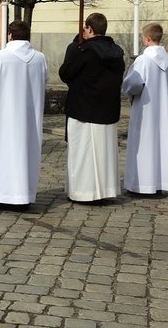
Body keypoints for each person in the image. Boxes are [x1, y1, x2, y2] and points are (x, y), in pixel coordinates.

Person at [0, 20, 47, 208]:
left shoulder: (0, 57)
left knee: (2, 153)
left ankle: (0, 195)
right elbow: (45, 79)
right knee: (25, 154)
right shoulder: (40, 57)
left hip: (4, 116)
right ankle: (23, 195)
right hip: (29, 118)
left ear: (10, 35)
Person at [58, 13, 125, 202]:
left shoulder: (85, 51)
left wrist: (73, 51)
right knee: (105, 154)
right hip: (107, 108)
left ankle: (83, 192)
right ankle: (106, 190)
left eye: (85, 28)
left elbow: (65, 73)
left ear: (90, 29)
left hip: (84, 109)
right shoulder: (117, 52)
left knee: (83, 153)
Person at [122, 23, 168, 195]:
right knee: (161, 144)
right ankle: (160, 182)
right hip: (164, 110)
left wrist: (128, 93)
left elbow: (133, 84)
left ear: (146, 38)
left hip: (145, 109)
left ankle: (142, 185)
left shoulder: (143, 60)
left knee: (143, 145)